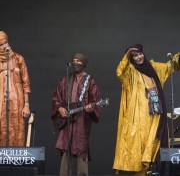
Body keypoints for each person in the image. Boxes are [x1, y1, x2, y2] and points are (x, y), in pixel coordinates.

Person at [113, 44, 180, 175]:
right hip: (138, 118)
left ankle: (148, 170)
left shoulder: (154, 67)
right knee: (140, 147)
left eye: (140, 54)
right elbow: (119, 73)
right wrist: (127, 56)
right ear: (131, 59)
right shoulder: (130, 71)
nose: (139, 57)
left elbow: (170, 66)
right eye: (135, 56)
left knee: (153, 146)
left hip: (155, 116)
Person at [51, 53, 101, 176]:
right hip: (66, 120)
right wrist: (59, 108)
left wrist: (91, 109)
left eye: (78, 61)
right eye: (73, 61)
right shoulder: (65, 79)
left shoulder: (90, 81)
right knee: (65, 149)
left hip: (81, 121)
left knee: (81, 149)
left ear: (84, 63)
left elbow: (95, 101)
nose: (75, 63)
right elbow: (56, 97)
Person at [0, 31, 31, 146]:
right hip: (1, 102)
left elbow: (26, 83)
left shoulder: (18, 59)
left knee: (17, 130)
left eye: (6, 43)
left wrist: (26, 105)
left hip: (17, 101)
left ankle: (15, 160)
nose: (4, 46)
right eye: (1, 45)